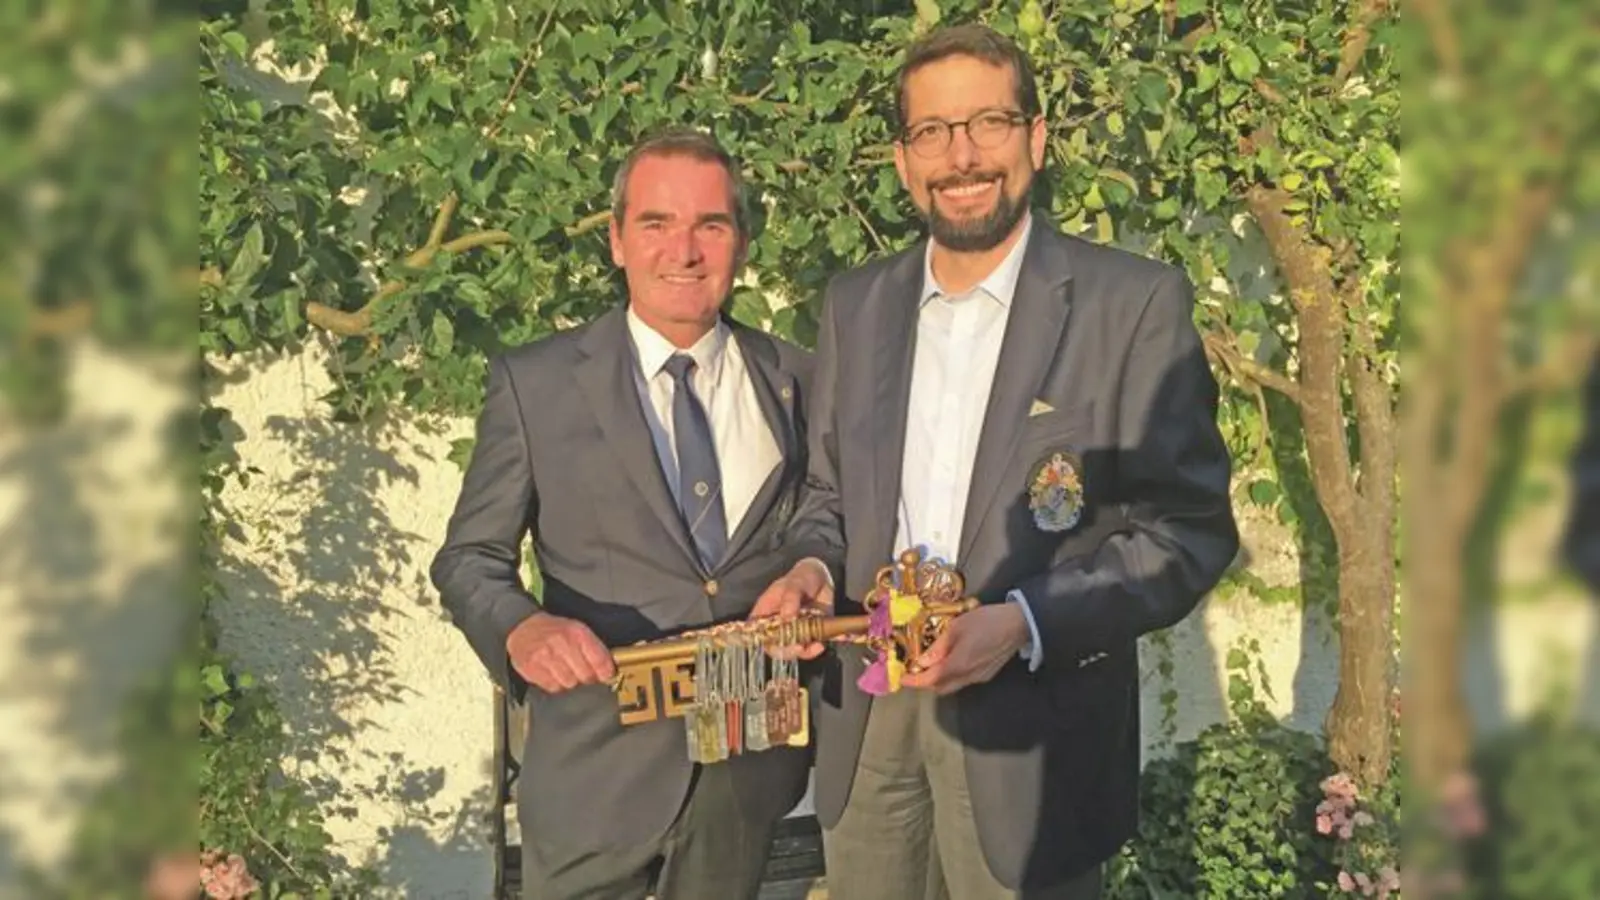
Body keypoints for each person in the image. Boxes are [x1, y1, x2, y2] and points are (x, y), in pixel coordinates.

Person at [753, 23, 1240, 900]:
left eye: (988, 123)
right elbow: (830, 492)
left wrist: (1024, 619)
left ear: (1036, 138)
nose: (962, 155)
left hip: (1035, 722)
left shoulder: (1130, 305)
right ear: (903, 161)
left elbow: (1188, 532)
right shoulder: (856, 307)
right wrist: (810, 568)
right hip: (871, 714)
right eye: (932, 132)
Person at [431, 127, 813, 900]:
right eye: (656, 224)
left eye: (710, 224)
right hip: (594, 779)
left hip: (746, 771)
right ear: (616, 240)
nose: (685, 250)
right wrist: (521, 627)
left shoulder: (796, 379)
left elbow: (821, 520)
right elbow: (469, 558)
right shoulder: (536, 385)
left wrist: (812, 568)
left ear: (741, 243)